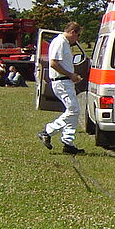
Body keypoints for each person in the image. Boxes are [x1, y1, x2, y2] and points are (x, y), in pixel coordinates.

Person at [37, 23, 85, 155]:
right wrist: (70, 74)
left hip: (65, 81)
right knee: (74, 110)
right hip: (62, 82)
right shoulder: (60, 42)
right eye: (78, 35)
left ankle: (68, 143)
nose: (78, 39)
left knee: (73, 111)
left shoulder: (64, 43)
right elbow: (53, 63)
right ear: (73, 32)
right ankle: (47, 132)